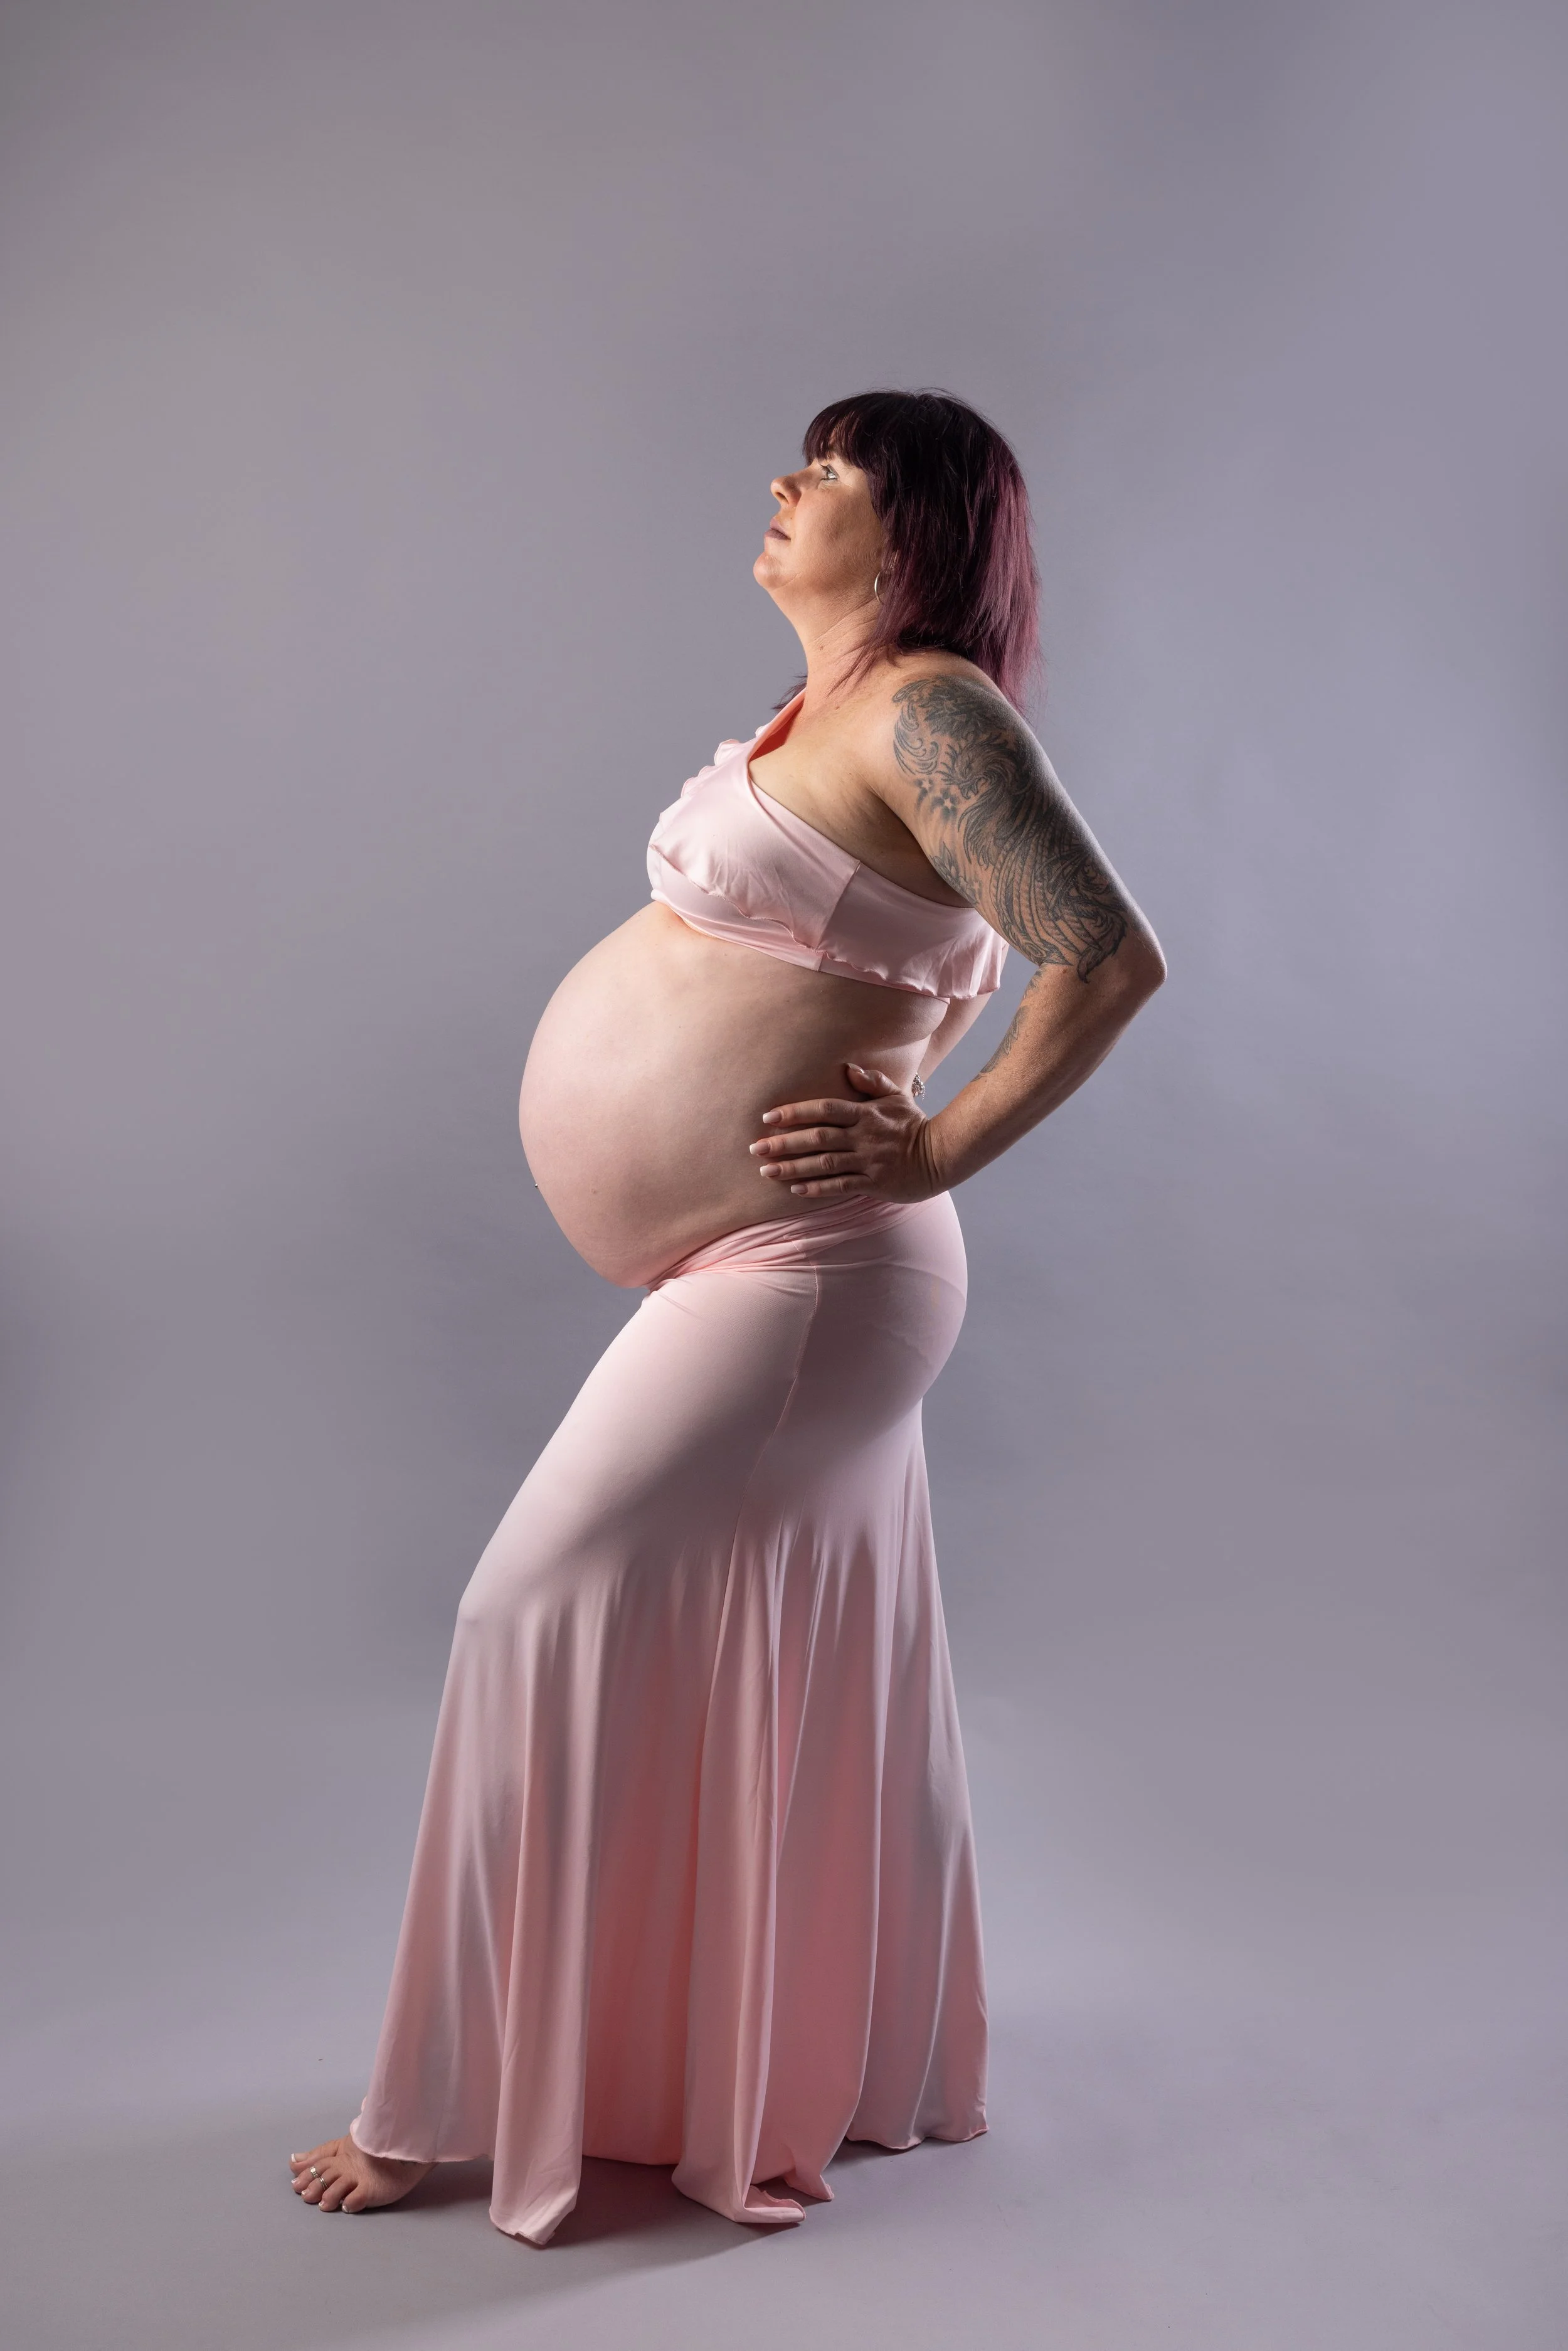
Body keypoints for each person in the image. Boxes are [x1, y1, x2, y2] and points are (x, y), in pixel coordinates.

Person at [289, 388, 1165, 2242]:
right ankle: (712, 2065)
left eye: (830, 471)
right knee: (739, 1663)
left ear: (915, 528)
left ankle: (432, 2104)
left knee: (523, 1606)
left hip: (815, 1273)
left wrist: (935, 1145)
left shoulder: (931, 711)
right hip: (756, 1269)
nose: (784, 484)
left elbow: (1104, 953)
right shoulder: (827, 711)